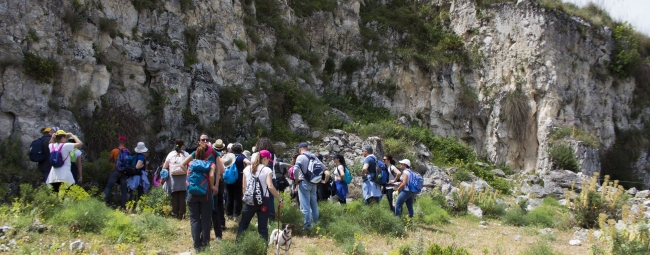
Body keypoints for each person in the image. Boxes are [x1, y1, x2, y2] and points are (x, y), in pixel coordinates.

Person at [237, 150, 284, 241]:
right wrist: (280, 199)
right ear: (265, 158)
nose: (268, 162)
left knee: (243, 224)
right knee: (262, 228)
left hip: (249, 200)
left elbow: (243, 187)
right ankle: (263, 249)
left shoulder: (247, 169)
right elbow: (270, 186)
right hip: (264, 200)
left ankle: (238, 245)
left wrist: (247, 199)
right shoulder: (267, 170)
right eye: (268, 161)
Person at [181, 144, 218, 252]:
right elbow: (211, 176)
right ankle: (205, 244)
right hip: (205, 194)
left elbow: (187, 172)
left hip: (192, 194)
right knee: (206, 219)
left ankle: (196, 246)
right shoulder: (211, 164)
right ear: (209, 154)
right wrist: (211, 186)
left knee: (194, 219)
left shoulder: (191, 163)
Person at [162, 139, 189, 219]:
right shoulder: (186, 154)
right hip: (183, 176)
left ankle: (175, 213)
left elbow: (165, 167)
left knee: (174, 195)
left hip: (173, 177)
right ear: (182, 145)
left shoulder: (171, 154)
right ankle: (182, 214)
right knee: (182, 196)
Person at [294, 142, 319, 230]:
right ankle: (316, 224)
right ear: (307, 148)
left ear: (300, 149)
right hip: (314, 183)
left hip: (304, 182)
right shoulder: (314, 156)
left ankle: (307, 226)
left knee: (305, 206)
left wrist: (296, 179)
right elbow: (322, 167)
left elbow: (296, 169)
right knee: (314, 205)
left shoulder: (300, 157)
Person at [250, 137, 278, 217]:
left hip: (259, 178)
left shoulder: (255, 154)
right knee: (270, 199)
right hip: (271, 178)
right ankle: (271, 217)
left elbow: (253, 166)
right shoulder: (273, 155)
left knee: (259, 198)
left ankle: (261, 216)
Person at [104, 136, 130, 208]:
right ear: (125, 142)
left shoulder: (114, 151)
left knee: (109, 186)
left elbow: (109, 160)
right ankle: (123, 207)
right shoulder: (128, 152)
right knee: (124, 190)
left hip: (115, 170)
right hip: (124, 173)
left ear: (118, 141)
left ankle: (104, 202)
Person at [226, 143, 249, 221]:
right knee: (237, 197)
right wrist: (245, 170)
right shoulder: (241, 157)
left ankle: (228, 214)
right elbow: (248, 162)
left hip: (228, 179)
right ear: (241, 150)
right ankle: (236, 215)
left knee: (229, 197)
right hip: (238, 179)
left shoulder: (229, 156)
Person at [129, 142, 149, 207]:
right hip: (138, 177)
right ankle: (139, 206)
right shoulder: (141, 157)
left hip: (132, 175)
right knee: (140, 191)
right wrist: (143, 165)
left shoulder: (135, 155)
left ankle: (130, 205)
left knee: (132, 191)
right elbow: (137, 166)